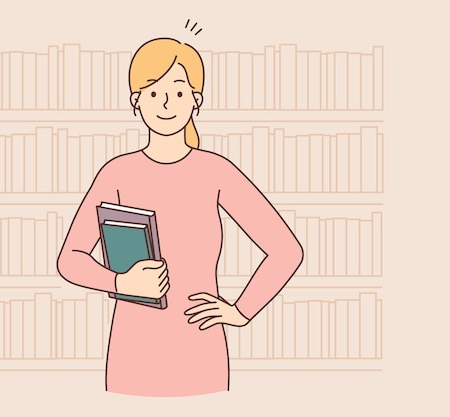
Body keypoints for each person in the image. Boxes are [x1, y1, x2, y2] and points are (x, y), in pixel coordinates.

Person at [57, 37, 303, 397]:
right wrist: (119, 283)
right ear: (136, 103)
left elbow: (286, 250)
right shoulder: (116, 173)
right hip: (132, 352)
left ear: (195, 100)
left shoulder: (216, 171)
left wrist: (242, 310)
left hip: (200, 351)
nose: (166, 103)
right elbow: (70, 259)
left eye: (177, 90)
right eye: (153, 93)